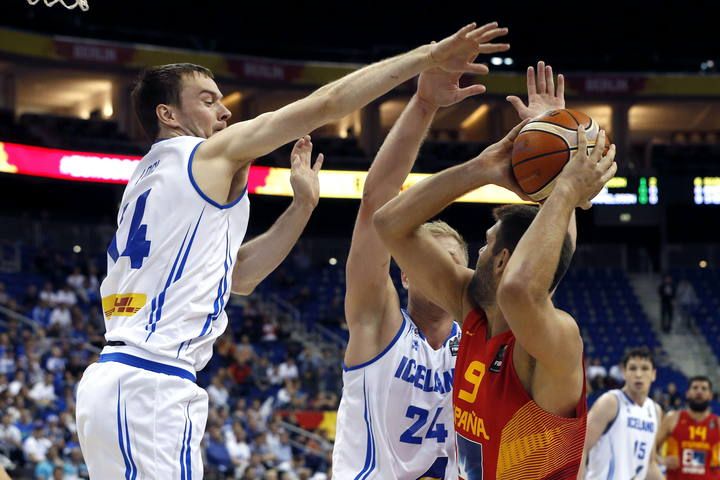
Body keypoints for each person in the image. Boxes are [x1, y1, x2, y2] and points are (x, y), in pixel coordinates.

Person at [75, 22, 506, 478]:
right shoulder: (202, 156)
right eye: (207, 100)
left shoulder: (149, 181)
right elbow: (325, 105)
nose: (223, 111)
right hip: (148, 382)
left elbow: (239, 277)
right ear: (168, 114)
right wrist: (427, 56)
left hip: (133, 380)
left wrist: (302, 207)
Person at [374, 63, 617, 478]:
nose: (474, 255)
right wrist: (481, 168)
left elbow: (523, 289)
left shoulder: (554, 338)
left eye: (485, 245)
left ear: (502, 260)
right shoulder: (472, 308)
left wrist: (564, 191)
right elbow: (388, 224)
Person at [334, 59, 572, 479]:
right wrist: (424, 104)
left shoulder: (485, 332)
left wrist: (552, 141)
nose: (448, 270)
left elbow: (546, 266)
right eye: (434, 260)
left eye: (458, 261)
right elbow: (377, 202)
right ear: (407, 272)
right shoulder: (378, 323)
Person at [580, 347, 664, 479]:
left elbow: (649, 464)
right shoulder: (610, 402)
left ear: (654, 374)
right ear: (624, 372)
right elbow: (580, 448)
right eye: (632, 368)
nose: (638, 374)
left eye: (644, 368)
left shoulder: (655, 410)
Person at [656, 375, 720, 479]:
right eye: (695, 388)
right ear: (687, 393)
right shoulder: (672, 418)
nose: (699, 391)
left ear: (710, 395)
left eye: (704, 388)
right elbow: (651, 450)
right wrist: (662, 460)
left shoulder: (718, 423)